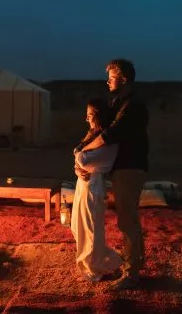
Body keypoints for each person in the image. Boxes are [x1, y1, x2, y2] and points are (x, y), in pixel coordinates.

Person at [79, 59, 149, 290]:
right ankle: (136, 264)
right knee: (127, 218)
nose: (107, 81)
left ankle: (132, 274)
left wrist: (82, 152)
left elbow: (110, 135)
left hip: (130, 167)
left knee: (127, 220)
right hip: (123, 167)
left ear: (124, 79)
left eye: (111, 77)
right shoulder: (119, 102)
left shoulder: (132, 105)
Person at [72, 98, 123, 282]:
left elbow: (83, 159)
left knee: (90, 229)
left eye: (90, 115)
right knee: (77, 226)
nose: (87, 119)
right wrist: (78, 163)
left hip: (93, 185)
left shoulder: (108, 142)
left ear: (99, 116)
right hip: (82, 184)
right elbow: (79, 156)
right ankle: (105, 261)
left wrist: (79, 158)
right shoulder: (93, 136)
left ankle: (95, 268)